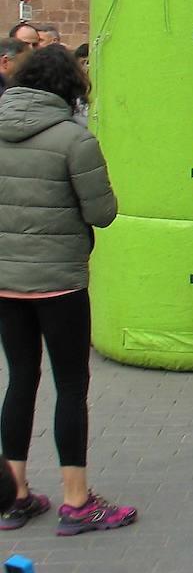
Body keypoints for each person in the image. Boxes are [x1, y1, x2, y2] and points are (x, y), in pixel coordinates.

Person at [0, 46, 136, 535]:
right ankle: (76, 501)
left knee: (19, 379)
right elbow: (102, 212)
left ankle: (14, 496)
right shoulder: (73, 140)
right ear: (70, 88)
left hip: (6, 285)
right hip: (59, 284)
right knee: (71, 387)